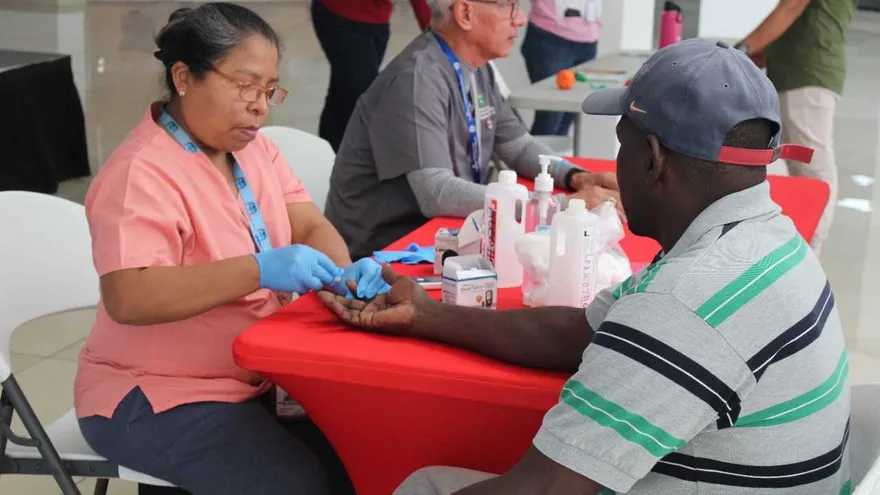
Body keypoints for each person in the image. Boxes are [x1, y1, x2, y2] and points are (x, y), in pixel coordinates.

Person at [320, 39, 851, 495]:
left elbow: (546, 487)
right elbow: (584, 330)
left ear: (652, 158)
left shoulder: (684, 303)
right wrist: (427, 314)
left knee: (425, 482)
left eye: (618, 145)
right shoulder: (763, 237)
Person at [74, 4, 387, 494]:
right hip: (157, 394)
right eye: (245, 85)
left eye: (268, 90)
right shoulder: (142, 172)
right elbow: (130, 296)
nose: (260, 106)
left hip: (256, 376)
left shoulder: (252, 146)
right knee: (295, 484)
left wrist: (342, 273)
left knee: (367, 453)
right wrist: (259, 269)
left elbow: (306, 223)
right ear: (183, 77)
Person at [325, 0, 621, 259]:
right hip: (385, 254)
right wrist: (559, 205)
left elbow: (518, 147)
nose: (520, 19)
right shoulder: (416, 80)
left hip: (448, 235)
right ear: (465, 13)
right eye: (509, 5)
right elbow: (437, 192)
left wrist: (578, 176)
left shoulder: (477, 69)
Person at [735, 0, 857, 253]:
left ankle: (809, 252)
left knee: (814, 172)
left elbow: (793, 4)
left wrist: (744, 49)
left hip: (808, 73)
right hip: (798, 72)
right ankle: (802, 247)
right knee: (803, 168)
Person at [311, 0, 433, 152]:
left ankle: (328, 156)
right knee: (364, 95)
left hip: (377, 21)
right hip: (341, 16)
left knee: (343, 95)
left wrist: (435, 36)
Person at [521, 0, 602, 136]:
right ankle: (536, 157)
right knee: (550, 119)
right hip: (551, 35)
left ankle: (554, 157)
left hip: (589, 37)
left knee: (566, 118)